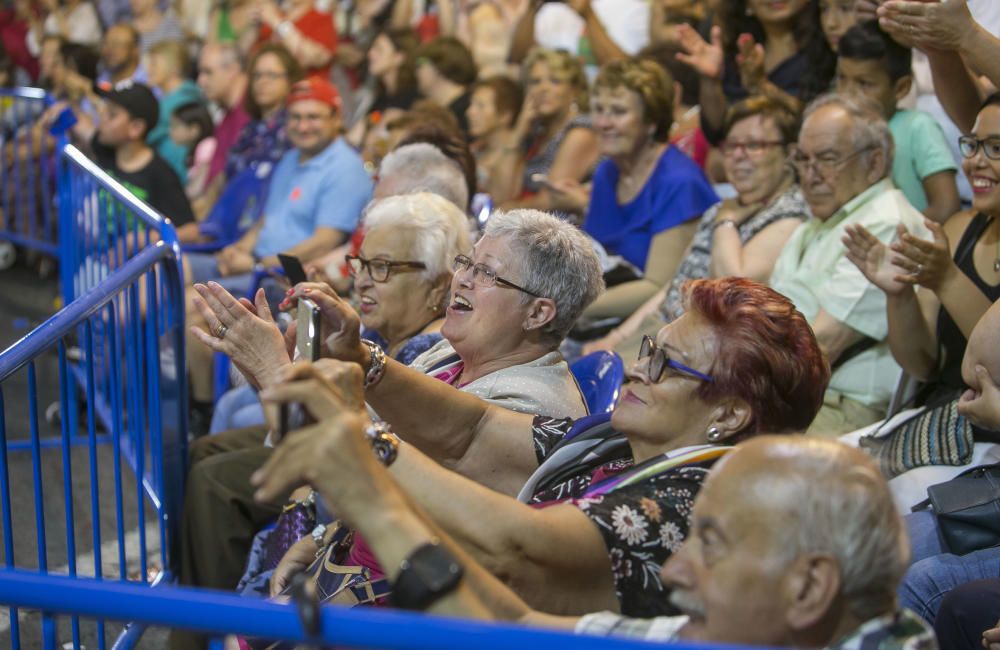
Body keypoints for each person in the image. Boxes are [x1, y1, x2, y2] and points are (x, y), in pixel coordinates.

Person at [257, 277, 829, 618]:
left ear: (729, 415)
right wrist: (362, 360)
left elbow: (519, 552)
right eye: (647, 346)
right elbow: (473, 432)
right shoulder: (616, 439)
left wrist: (360, 433)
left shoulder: (700, 503)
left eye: (664, 364)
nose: (636, 368)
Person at [175, 209, 599, 611]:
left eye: (486, 273)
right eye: (467, 263)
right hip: (353, 565)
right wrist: (324, 538)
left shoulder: (533, 405)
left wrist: (275, 371)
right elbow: (374, 450)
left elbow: (368, 469)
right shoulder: (446, 356)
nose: (462, 280)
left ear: (539, 313)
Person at [204, 191, 471, 435]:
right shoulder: (379, 331)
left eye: (381, 267)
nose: (361, 281)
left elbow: (339, 443)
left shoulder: (428, 351)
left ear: (437, 284)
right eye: (361, 264)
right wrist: (296, 337)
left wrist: (269, 365)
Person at [184, 76, 372, 417]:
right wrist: (239, 248)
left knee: (192, 307)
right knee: (167, 270)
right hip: (254, 262)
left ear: (335, 118)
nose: (303, 126)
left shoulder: (345, 168)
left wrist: (256, 262)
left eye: (313, 117)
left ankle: (201, 411)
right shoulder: (290, 160)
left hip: (280, 277)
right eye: (296, 118)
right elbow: (266, 220)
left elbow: (326, 240)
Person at [584, 95, 808, 359]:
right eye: (732, 145)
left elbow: (735, 288)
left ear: (789, 154)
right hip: (660, 332)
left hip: (699, 352)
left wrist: (726, 222)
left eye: (754, 145)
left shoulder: (790, 214)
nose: (738, 156)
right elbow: (675, 283)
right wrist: (616, 338)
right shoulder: (726, 205)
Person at [770, 92, 929, 436]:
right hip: (783, 391)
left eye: (826, 159)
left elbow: (820, 345)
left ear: (874, 164)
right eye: (803, 160)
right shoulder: (819, 220)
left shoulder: (887, 223)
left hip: (839, 407)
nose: (809, 176)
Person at [842, 93, 1000, 422]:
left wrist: (947, 279)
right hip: (939, 419)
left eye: (996, 149)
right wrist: (898, 295)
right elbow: (921, 364)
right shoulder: (958, 230)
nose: (976, 162)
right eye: (973, 145)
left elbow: (993, 365)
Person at [580, 58, 718, 322]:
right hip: (605, 310)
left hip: (661, 320)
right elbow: (594, 260)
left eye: (618, 112)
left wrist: (566, 308)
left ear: (651, 121)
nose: (604, 123)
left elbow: (658, 287)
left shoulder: (680, 181)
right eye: (599, 109)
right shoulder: (607, 171)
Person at [836, 21, 959, 222]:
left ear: (901, 88)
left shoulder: (917, 128)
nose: (848, 94)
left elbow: (946, 207)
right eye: (841, 78)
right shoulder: (838, 133)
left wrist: (894, 237)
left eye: (864, 83)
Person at [675, 0, 835, 142]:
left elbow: (820, 128)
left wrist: (761, 86)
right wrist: (711, 81)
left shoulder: (830, 46)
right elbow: (716, 132)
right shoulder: (735, 46)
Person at [494, 48, 598, 213]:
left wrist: (503, 211)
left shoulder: (581, 131)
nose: (543, 89)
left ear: (575, 90)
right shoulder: (535, 130)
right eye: (535, 82)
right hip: (526, 224)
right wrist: (518, 132)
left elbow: (549, 200)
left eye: (555, 81)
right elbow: (499, 194)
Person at [86, 81, 195, 234]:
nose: (102, 118)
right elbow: (81, 128)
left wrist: (139, 240)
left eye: (112, 114)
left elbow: (190, 230)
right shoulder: (105, 151)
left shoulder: (160, 174)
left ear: (136, 128)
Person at [221, 43, 302, 186]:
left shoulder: (296, 127)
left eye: (271, 75)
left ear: (290, 80)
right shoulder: (249, 129)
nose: (262, 82)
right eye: (257, 76)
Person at [144, 39, 203, 184]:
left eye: (154, 64)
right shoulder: (173, 99)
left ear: (175, 68)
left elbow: (146, 134)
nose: (148, 70)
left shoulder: (180, 101)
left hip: (174, 176)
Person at [196, 42, 250, 201]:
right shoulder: (227, 115)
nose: (201, 81)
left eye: (208, 72)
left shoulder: (252, 115)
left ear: (232, 70)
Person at [466, 75, 523, 199]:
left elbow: (501, 201)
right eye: (471, 104)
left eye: (480, 106)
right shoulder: (476, 150)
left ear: (505, 115)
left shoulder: (515, 157)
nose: (470, 112)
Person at [253, 0, 337, 79]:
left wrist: (278, 24)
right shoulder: (274, 16)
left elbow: (315, 58)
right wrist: (252, 26)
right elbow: (250, 56)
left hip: (305, 90)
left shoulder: (323, 19)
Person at [414, 36, 477, 134]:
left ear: (439, 66)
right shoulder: (445, 110)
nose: (417, 71)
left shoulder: (467, 111)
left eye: (420, 64)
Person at [169, 102, 216, 201]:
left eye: (175, 126)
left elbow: (198, 187)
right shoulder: (193, 151)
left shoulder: (206, 146)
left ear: (194, 130)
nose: (170, 131)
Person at [97, 23, 145, 87]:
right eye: (106, 43)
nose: (109, 49)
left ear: (135, 49)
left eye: (117, 44)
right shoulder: (102, 78)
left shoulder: (150, 83)